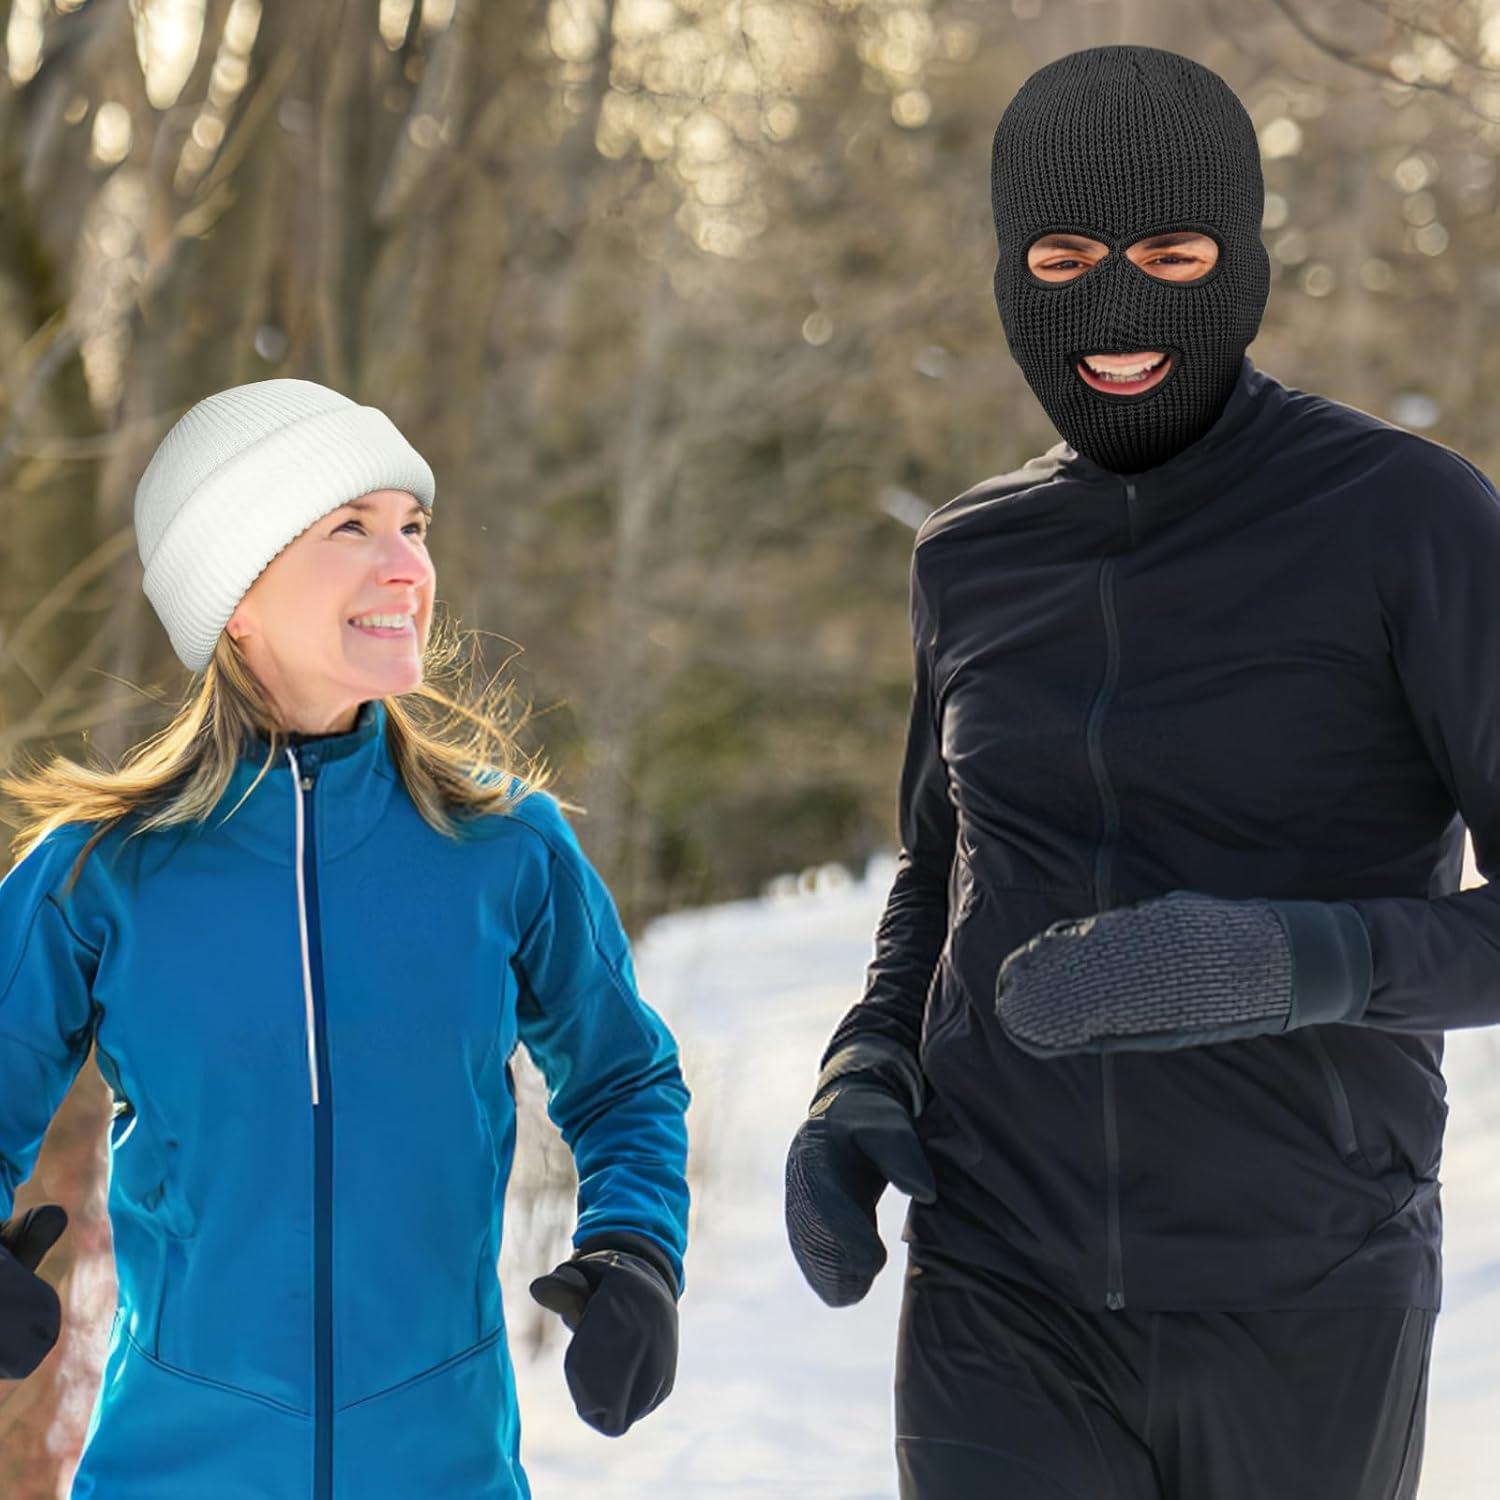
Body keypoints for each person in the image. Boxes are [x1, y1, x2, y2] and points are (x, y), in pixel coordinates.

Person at [784, 43, 1495, 1499]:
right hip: (998, 1287)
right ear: (1005, 268)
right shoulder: (970, 557)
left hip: (1304, 1294)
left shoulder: (1405, 520)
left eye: (1172, 252)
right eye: (1064, 254)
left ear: (1244, 259)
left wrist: (1289, 961)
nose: (1118, 308)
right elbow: (940, 865)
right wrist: (865, 1064)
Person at [0, 378, 690, 1499]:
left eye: (412, 528)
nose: (408, 567)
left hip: (447, 1467)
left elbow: (625, 1081)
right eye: (350, 529)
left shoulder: (506, 847)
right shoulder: (102, 872)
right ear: (237, 594)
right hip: (174, 1469)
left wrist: (636, 1247)